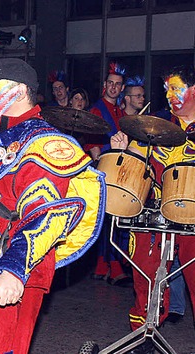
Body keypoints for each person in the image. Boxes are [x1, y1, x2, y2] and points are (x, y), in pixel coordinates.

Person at [0, 58, 104, 354]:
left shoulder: (46, 143)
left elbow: (47, 213)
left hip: (13, 269)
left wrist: (13, 271)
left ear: (17, 90)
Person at [110, 64, 195, 342]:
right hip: (157, 215)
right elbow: (134, 162)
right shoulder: (157, 125)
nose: (170, 94)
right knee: (145, 277)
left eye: (176, 88)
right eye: (167, 89)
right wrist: (123, 151)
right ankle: (143, 337)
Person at [88, 63, 132, 287]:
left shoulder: (121, 112)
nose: (114, 87)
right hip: (105, 167)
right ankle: (111, 266)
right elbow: (93, 143)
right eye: (110, 83)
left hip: (119, 167)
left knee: (110, 219)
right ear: (104, 85)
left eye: (118, 84)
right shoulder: (97, 110)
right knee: (108, 219)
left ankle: (104, 264)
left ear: (121, 87)